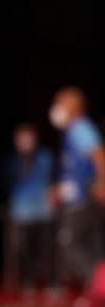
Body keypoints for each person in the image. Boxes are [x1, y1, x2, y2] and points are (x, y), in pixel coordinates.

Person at [48, 87, 105, 289]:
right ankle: (98, 293)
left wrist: (102, 182)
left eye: (59, 103)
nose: (55, 109)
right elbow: (75, 170)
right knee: (92, 244)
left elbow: (99, 155)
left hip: (85, 197)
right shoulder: (72, 132)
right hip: (78, 196)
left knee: (69, 243)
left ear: (73, 106)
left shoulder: (80, 128)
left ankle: (100, 286)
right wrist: (59, 189)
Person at [5, 123, 55, 295]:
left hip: (43, 210)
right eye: (21, 140)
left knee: (46, 249)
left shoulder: (45, 158)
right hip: (22, 212)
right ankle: (27, 281)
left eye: (29, 139)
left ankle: (51, 282)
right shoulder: (13, 162)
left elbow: (51, 180)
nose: (25, 143)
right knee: (23, 249)